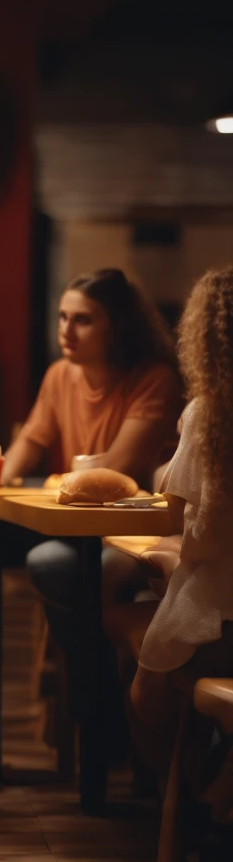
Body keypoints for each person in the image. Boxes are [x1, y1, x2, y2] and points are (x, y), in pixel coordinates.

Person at [0, 268, 183, 758]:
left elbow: (119, 467)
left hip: (139, 535)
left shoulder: (153, 378)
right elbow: (30, 442)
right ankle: (100, 718)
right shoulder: (60, 375)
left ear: (116, 327)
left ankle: (100, 722)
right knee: (48, 562)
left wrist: (57, 480)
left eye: (82, 320)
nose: (66, 330)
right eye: (62, 317)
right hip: (84, 529)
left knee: (68, 571)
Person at [129, 267, 233, 786]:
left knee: (146, 697)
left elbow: (202, 533)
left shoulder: (211, 413)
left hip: (225, 619)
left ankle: (195, 808)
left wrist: (176, 553)